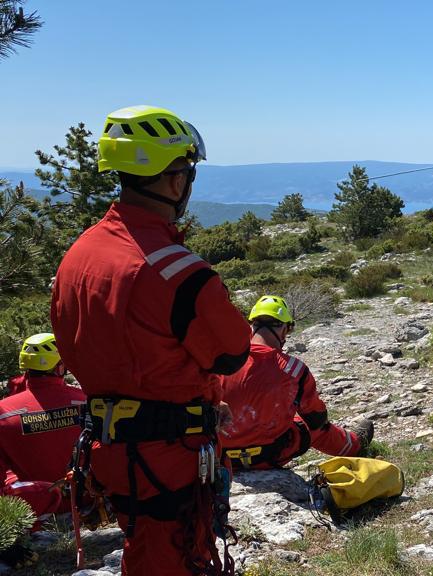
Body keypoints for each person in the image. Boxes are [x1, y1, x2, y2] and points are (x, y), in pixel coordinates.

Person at [51, 105, 252, 576]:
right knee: (173, 559)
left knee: (144, 547)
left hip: (110, 450)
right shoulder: (179, 271)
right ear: (173, 180)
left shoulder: (79, 255)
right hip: (168, 455)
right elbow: (230, 352)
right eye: (186, 170)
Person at [220, 295, 373, 470]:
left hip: (220, 456)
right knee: (309, 425)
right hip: (269, 455)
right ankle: (354, 444)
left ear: (251, 325)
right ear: (284, 330)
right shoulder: (294, 369)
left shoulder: (221, 363)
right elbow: (316, 418)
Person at [0, 333, 85, 521]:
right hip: (86, 499)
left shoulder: (4, 411)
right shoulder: (84, 400)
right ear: (59, 366)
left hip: (34, 506)